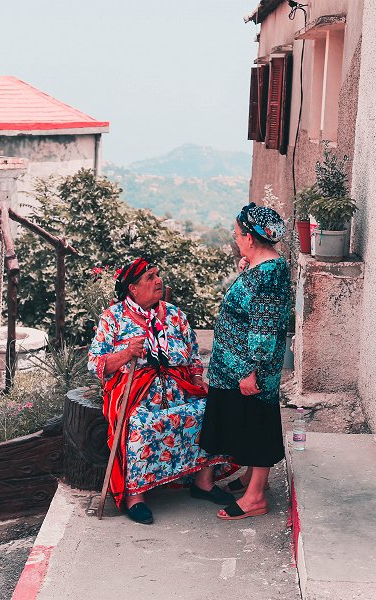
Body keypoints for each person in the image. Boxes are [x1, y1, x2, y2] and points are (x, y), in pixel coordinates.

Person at [88, 257, 235, 525]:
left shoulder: (174, 314)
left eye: (157, 275)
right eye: (150, 277)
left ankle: (203, 482)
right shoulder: (113, 318)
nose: (158, 281)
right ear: (133, 288)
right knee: (141, 424)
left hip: (179, 385)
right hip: (136, 391)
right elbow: (96, 363)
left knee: (212, 409)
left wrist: (198, 377)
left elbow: (192, 354)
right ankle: (135, 495)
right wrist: (126, 353)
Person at [199, 202, 290, 520]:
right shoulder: (263, 269)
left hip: (249, 370)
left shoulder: (268, 275)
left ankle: (255, 498)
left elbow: (264, 329)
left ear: (250, 238)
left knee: (256, 427)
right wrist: (246, 270)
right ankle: (253, 479)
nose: (236, 239)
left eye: (238, 235)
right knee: (249, 424)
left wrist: (251, 372)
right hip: (237, 367)